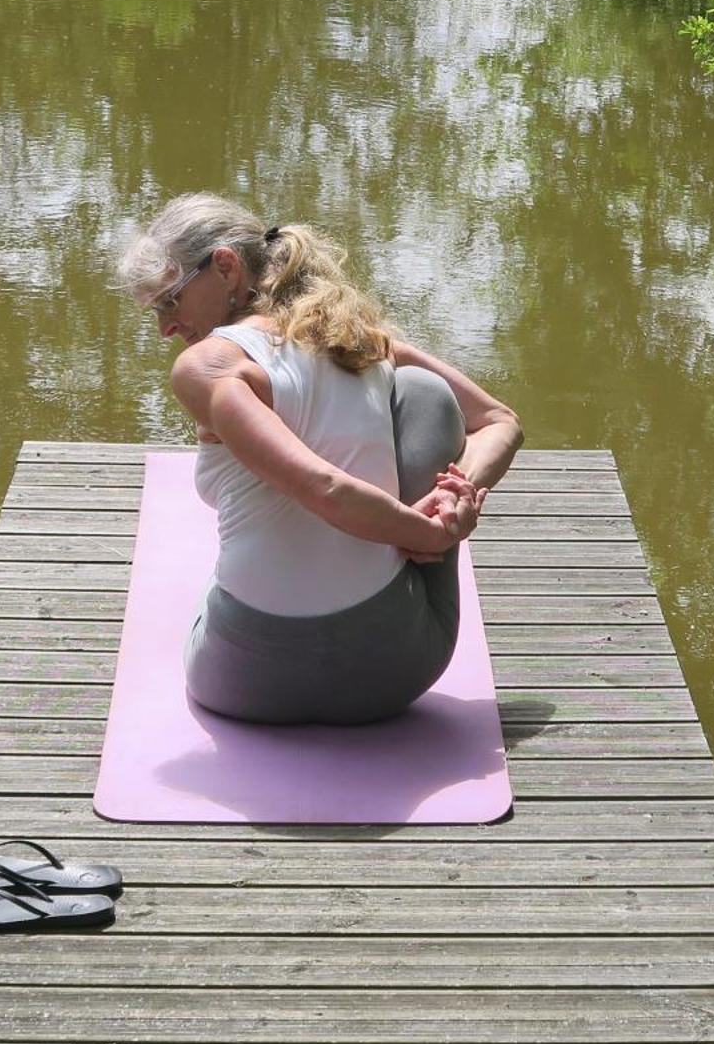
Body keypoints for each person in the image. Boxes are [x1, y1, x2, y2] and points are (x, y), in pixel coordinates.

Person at [116, 193, 523, 724]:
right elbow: (501, 422)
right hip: (395, 675)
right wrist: (449, 510)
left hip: (242, 685)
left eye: (170, 302)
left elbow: (323, 489)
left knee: (214, 586)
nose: (165, 328)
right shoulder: (362, 342)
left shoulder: (207, 365)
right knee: (423, 393)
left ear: (225, 266)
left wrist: (434, 525)